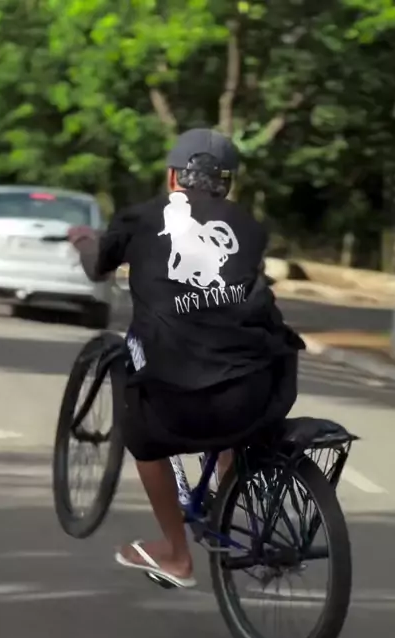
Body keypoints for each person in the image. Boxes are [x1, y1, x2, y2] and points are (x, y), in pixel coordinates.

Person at [68, 128, 305, 589]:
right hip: (255, 395)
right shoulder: (251, 228)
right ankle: (229, 497)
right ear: (227, 183)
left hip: (180, 398)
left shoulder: (142, 216)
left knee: (143, 437)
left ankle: (176, 555)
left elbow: (98, 266)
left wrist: (82, 240)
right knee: (229, 382)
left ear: (173, 176)